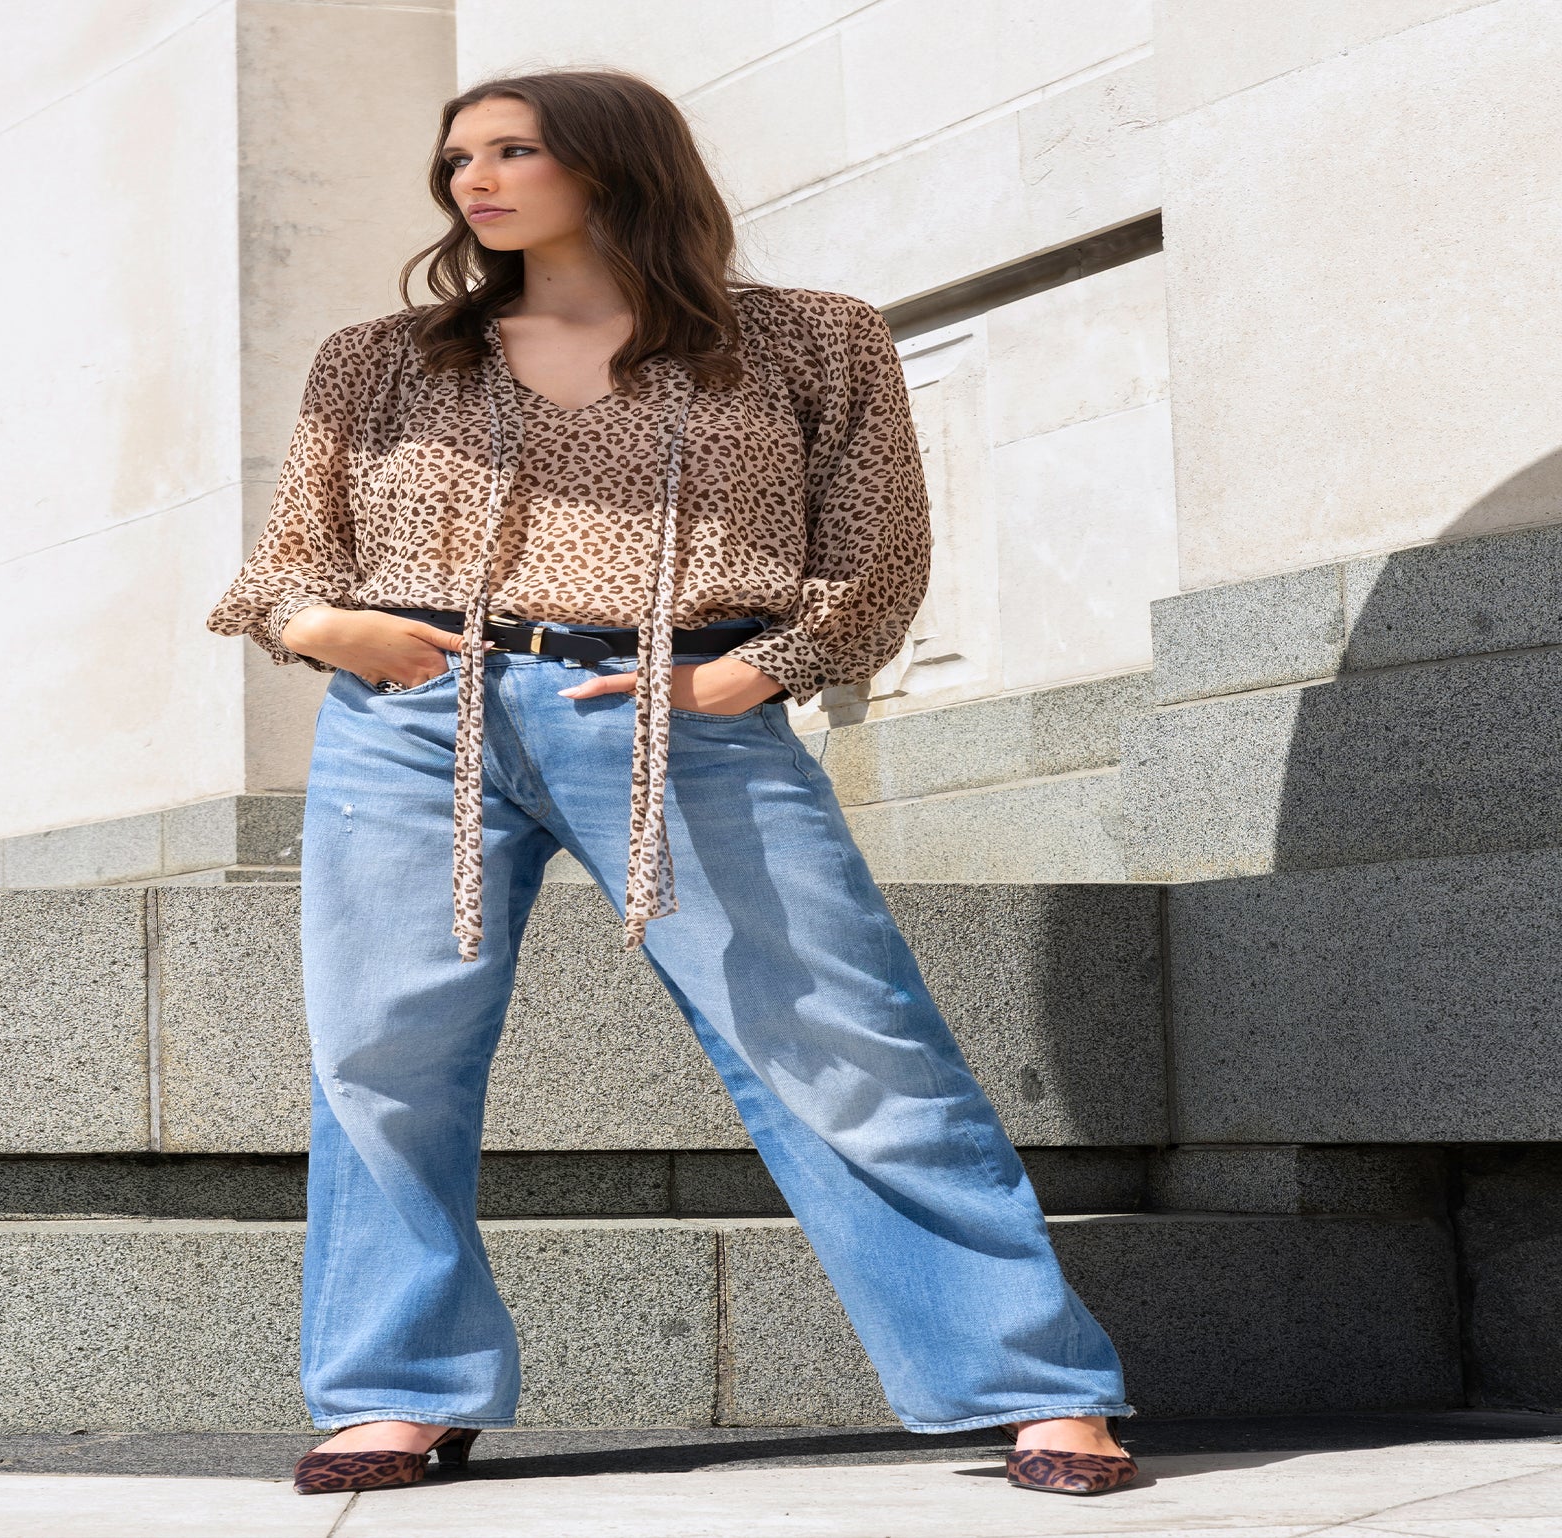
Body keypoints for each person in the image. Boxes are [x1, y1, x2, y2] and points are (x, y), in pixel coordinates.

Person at [205, 67, 1140, 1501]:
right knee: (381, 1060)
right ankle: (395, 1387)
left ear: (613, 161)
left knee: (844, 1040)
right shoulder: (381, 359)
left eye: (515, 150)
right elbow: (290, 558)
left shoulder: (809, 342)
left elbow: (878, 543)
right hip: (412, 724)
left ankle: (1031, 1383)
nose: (475, 179)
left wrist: (757, 670)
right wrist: (328, 630)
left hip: (674, 707)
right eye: (459, 155)